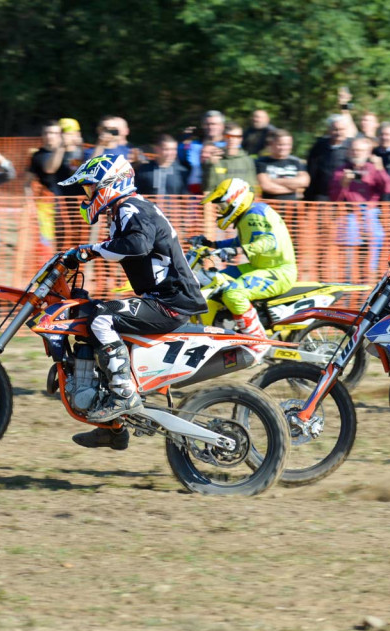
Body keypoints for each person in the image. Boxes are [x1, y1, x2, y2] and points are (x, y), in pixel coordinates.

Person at [56, 155, 207, 449]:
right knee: (89, 313)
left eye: (90, 189)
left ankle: (124, 394)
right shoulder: (125, 211)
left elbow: (138, 246)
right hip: (161, 298)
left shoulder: (131, 208)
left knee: (101, 317)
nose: (88, 196)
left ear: (110, 185)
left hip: (171, 302)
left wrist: (90, 250)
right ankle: (110, 426)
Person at [196, 178, 297, 337]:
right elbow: (242, 241)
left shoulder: (254, 214)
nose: (221, 211)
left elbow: (269, 241)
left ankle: (256, 339)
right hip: (259, 267)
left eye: (222, 206)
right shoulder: (248, 215)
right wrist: (213, 244)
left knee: (233, 294)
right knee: (215, 280)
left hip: (278, 272)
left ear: (235, 200)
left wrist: (236, 251)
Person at [330, 137, 390, 278]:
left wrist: (381, 169)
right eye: (353, 150)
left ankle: (370, 282)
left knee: (374, 249)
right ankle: (348, 285)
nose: (356, 153)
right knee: (349, 260)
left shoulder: (373, 169)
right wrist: (344, 183)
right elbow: (335, 198)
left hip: (370, 216)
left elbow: (388, 188)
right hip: (349, 216)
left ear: (368, 153)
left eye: (360, 150)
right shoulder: (341, 171)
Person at [305, 115, 353, 201]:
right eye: (335, 129)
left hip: (344, 196)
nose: (339, 133)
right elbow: (311, 170)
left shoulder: (352, 146)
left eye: (342, 129)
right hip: (321, 195)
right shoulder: (319, 146)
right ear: (329, 130)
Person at [202, 122, 257, 192]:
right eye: (229, 136)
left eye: (236, 137)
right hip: (218, 201)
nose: (232, 139)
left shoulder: (247, 160)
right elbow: (207, 188)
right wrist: (210, 166)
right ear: (224, 137)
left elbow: (252, 187)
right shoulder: (215, 157)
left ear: (241, 139)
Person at [179, 110, 225, 194]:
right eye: (208, 124)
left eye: (214, 124)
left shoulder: (229, 146)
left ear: (222, 126)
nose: (211, 127)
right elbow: (179, 161)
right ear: (203, 125)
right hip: (194, 193)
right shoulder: (192, 145)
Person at [256, 130, 310, 201]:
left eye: (287, 144)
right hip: (270, 206)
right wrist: (293, 189)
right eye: (280, 144)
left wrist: (273, 181)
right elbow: (267, 186)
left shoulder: (296, 162)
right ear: (272, 144)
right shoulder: (261, 162)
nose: (284, 148)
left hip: (291, 208)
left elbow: (304, 182)